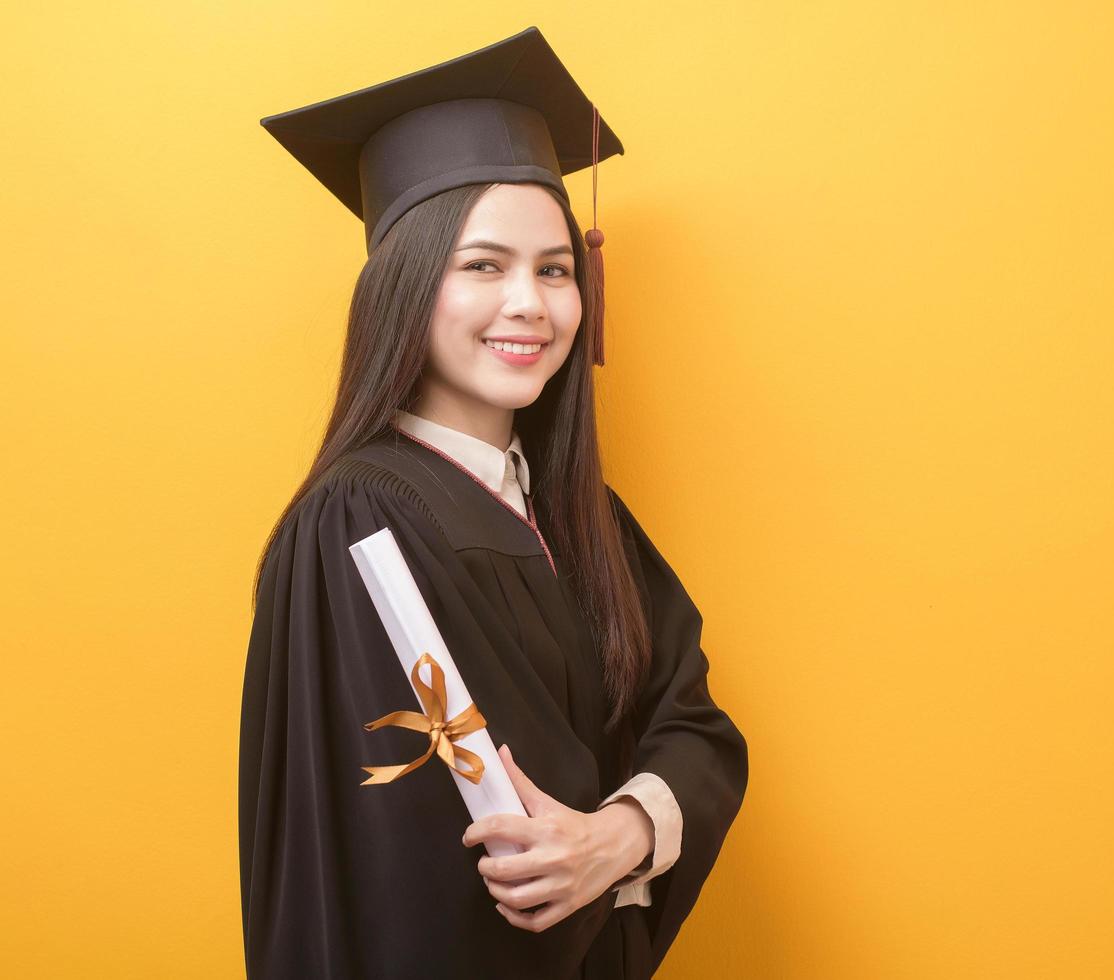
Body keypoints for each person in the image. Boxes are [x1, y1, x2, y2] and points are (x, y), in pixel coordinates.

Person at [238, 27, 748, 979]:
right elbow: (392, 865)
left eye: (554, 269)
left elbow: (693, 722)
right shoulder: (355, 522)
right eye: (483, 265)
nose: (531, 304)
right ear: (403, 285)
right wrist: (591, 839)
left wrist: (625, 832)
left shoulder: (579, 516)